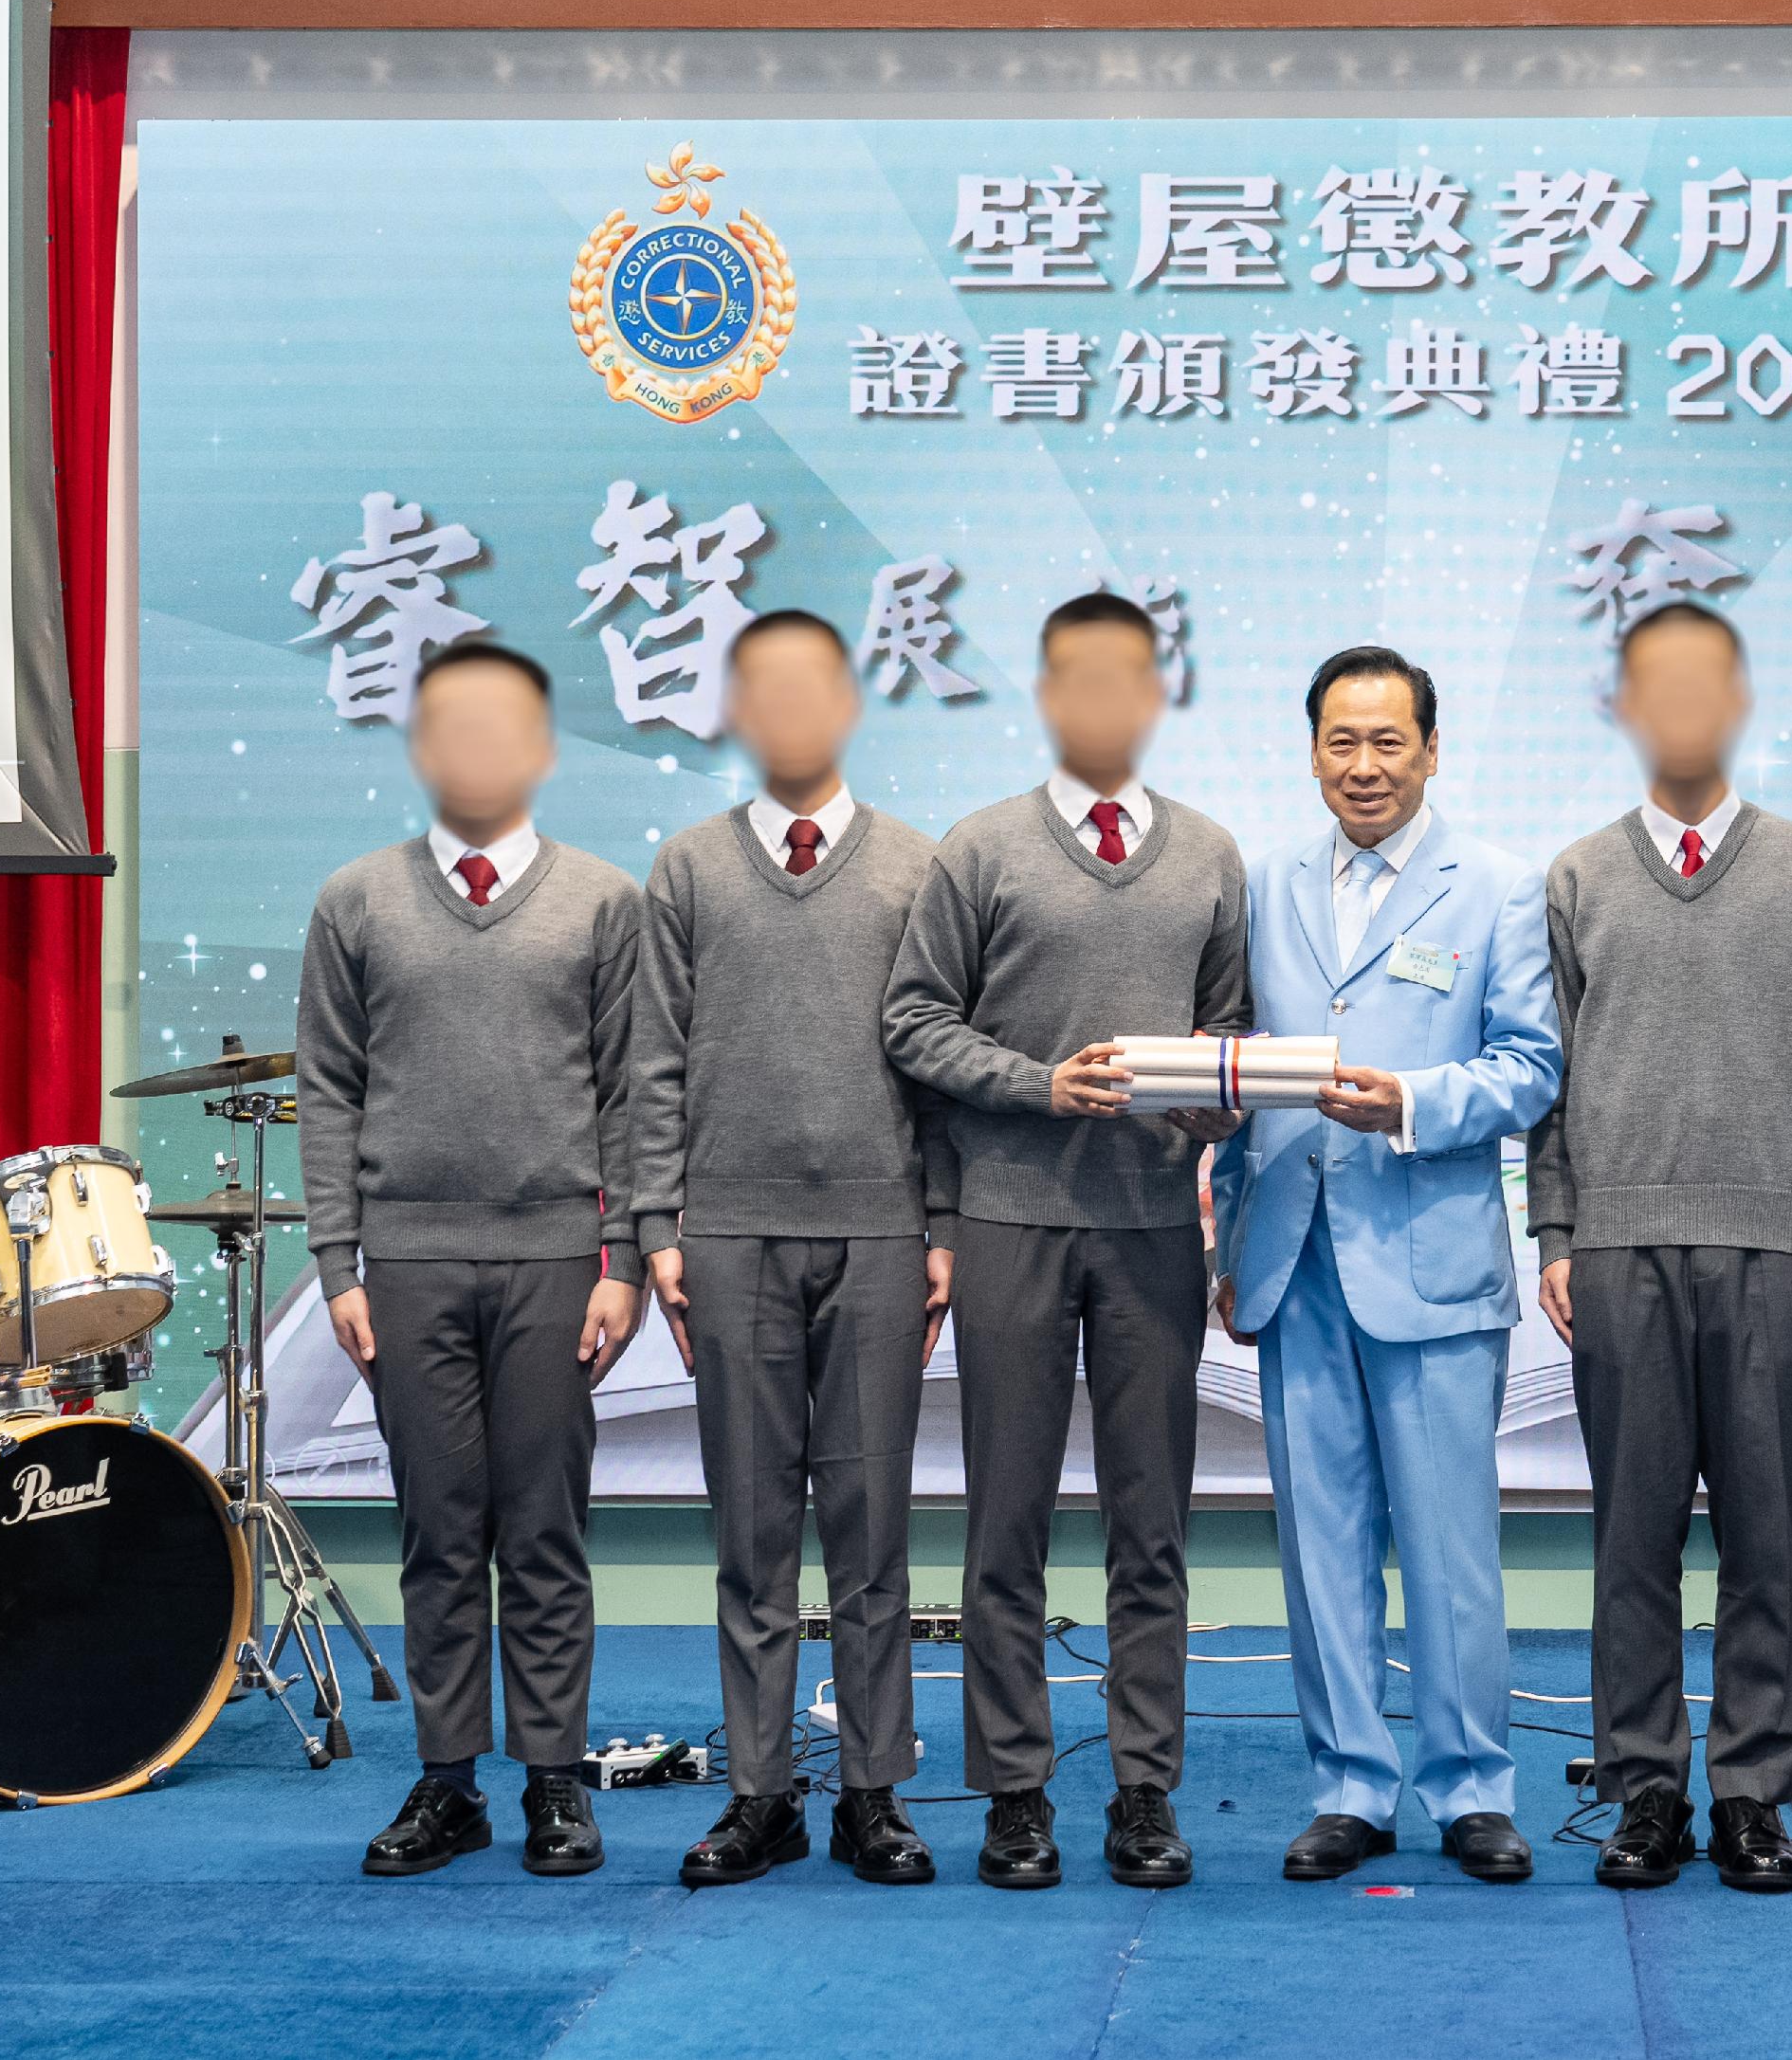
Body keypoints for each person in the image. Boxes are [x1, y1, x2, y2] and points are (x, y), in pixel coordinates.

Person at [882, 592, 1254, 1890]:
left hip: (1155, 1231)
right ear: (1046, 695)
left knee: (1154, 1527)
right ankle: (1015, 1792)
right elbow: (914, 1023)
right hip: (1010, 1227)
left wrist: (1212, 1096)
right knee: (1008, 1525)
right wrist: (1044, 1085)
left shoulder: (1211, 856)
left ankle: (1146, 1790)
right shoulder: (978, 851)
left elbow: (1229, 1044)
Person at [1527, 599, 1792, 1895]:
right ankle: (1647, 1791)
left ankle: (1754, 1794)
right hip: (1619, 1250)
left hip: (1777, 1252)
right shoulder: (1578, 877)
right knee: (1633, 1539)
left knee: (1766, 1539)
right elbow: (1547, 1077)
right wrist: (1555, 1227)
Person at [1208, 646, 1562, 1887]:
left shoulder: (1500, 890)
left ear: (1429, 749)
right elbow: (1240, 1072)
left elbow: (1532, 1069)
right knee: (1321, 1542)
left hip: (1432, 1256)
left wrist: (1408, 1101)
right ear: (1313, 751)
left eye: (1387, 742)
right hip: (1293, 1260)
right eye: (1340, 743)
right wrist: (1225, 1225)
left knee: (1450, 1543)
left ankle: (1472, 1791)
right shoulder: (1262, 885)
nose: (1363, 766)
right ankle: (1349, 1786)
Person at [294, 638, 646, 1881]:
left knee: (543, 1531)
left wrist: (621, 1259)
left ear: (543, 748)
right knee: (440, 1532)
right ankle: (450, 1782)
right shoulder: (356, 902)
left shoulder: (608, 901)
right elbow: (327, 1095)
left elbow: (636, 1095)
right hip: (409, 1266)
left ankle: (556, 1781)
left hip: (560, 1261)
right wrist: (341, 1265)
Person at [630, 609, 950, 1890]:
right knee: (753, 1531)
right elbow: (648, 1063)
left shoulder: (921, 870)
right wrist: (659, 1227)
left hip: (880, 1234)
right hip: (730, 1236)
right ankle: (762, 1794)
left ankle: (873, 1792)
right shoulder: (689, 869)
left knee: (871, 1532)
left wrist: (946, 1228)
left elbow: (942, 1067)